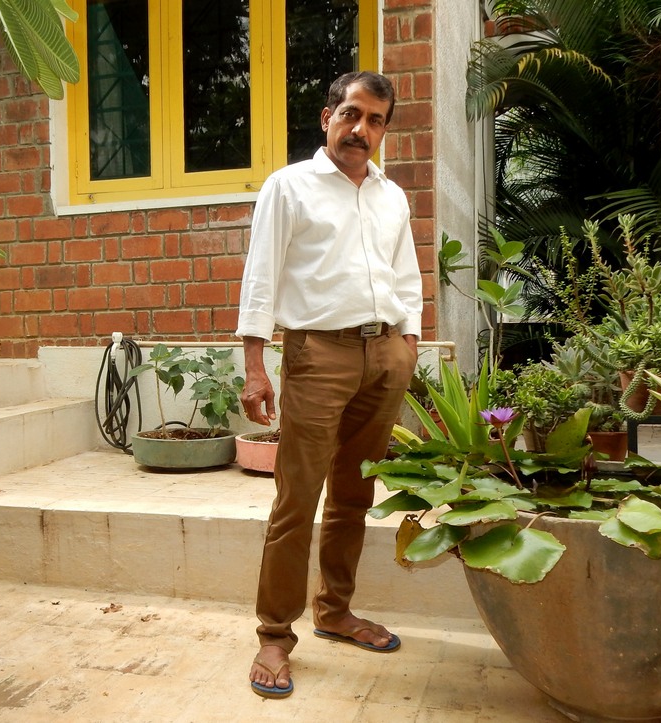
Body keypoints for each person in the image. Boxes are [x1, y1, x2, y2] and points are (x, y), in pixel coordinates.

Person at [236, 71, 423, 699]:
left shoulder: (391, 196)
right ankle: (274, 634)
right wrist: (255, 367)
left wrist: (408, 344)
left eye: (375, 120)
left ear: (384, 130)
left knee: (354, 493)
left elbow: (407, 275)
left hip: (384, 355)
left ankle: (335, 611)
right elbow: (260, 277)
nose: (361, 129)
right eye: (351, 114)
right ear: (328, 117)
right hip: (318, 354)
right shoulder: (289, 186)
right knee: (298, 498)